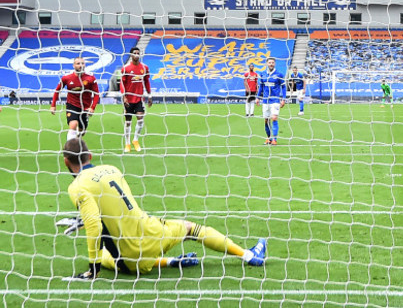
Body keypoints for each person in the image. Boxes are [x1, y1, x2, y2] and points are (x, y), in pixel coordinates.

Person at [59, 138, 266, 280]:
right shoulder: (112, 169)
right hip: (152, 234)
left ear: (66, 161)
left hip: (128, 261)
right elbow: (118, 207)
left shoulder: (77, 186)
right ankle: (247, 255)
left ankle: (171, 262)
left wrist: (92, 269)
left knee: (105, 254)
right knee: (191, 229)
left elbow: (95, 225)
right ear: (91, 156)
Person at [50, 57, 100, 140]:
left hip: (85, 107)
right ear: (73, 65)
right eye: (78, 63)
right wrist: (53, 105)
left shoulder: (91, 78)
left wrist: (92, 107)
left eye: (82, 63)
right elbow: (57, 91)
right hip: (72, 105)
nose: (81, 65)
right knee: (73, 125)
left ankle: (77, 143)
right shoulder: (67, 78)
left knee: (81, 131)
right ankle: (70, 150)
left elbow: (96, 94)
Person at [120, 47, 152, 153]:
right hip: (128, 99)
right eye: (135, 53)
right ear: (131, 55)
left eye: (138, 53)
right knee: (128, 122)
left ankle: (135, 140)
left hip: (139, 98)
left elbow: (147, 82)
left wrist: (149, 95)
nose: (137, 55)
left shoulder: (145, 68)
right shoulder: (126, 68)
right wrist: (124, 96)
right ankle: (127, 143)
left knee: (140, 118)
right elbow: (122, 84)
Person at [256, 57, 286, 145]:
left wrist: (283, 99)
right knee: (266, 120)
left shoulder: (279, 74)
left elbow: (283, 87)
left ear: (275, 64)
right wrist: (257, 97)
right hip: (265, 101)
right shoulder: (262, 74)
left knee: (274, 118)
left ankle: (274, 139)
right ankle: (268, 138)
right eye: (269, 62)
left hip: (275, 100)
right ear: (267, 64)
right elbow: (261, 87)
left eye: (273, 62)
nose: (271, 64)